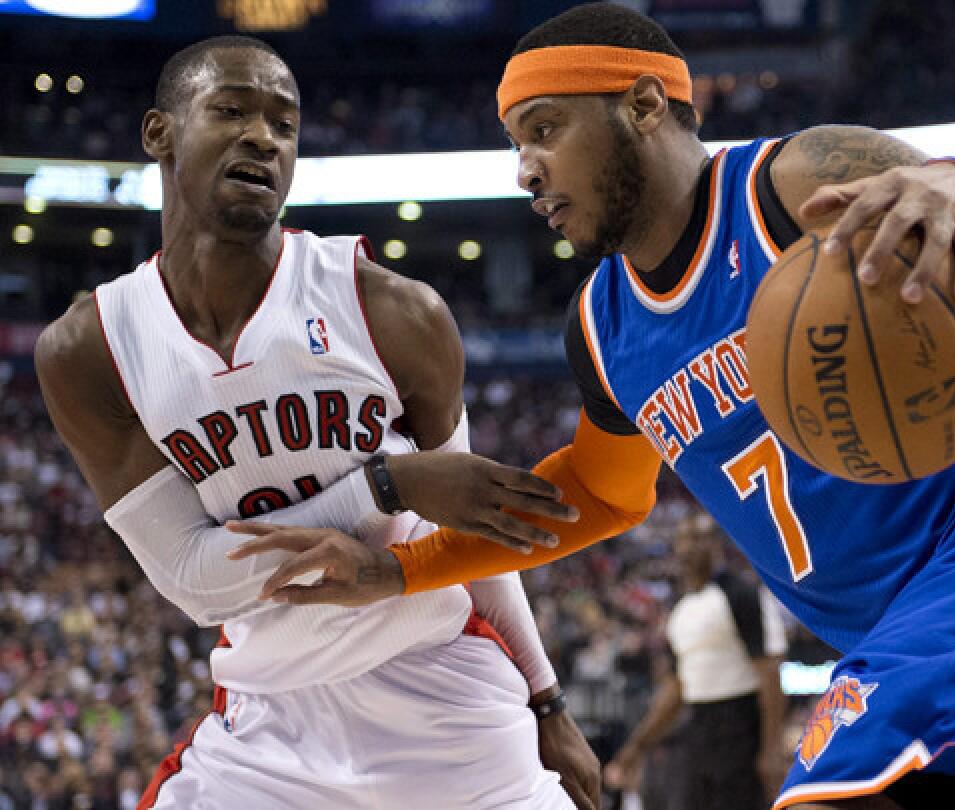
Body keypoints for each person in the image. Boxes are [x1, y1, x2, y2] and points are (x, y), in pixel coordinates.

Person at [229, 4, 955, 808]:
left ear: (645, 105)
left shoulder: (796, 186)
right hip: (941, 632)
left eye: (543, 131)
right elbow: (602, 499)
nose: (523, 171)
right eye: (514, 144)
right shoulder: (604, 330)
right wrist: (394, 570)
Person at [35, 35, 599, 810]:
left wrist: (547, 701)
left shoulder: (393, 310)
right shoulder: (90, 349)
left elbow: (478, 537)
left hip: (443, 691)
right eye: (232, 110)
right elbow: (198, 585)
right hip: (269, 722)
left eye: (284, 124)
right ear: (159, 133)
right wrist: (386, 483)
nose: (262, 137)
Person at [604, 513, 790, 809]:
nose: (692, 547)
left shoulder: (740, 593)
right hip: (696, 726)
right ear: (676, 546)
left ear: (716, 545)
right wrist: (635, 747)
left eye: (700, 538)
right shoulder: (681, 608)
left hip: (742, 724)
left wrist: (771, 749)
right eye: (686, 539)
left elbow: (770, 674)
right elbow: (676, 688)